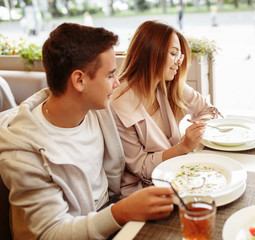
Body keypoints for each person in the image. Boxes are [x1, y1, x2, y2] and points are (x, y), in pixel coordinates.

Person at [0, 23, 174, 239]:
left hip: (108, 211)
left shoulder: (95, 109)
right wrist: (121, 212)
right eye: (110, 75)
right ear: (79, 80)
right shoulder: (24, 153)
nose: (117, 83)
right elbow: (50, 233)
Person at [110, 20, 221, 197]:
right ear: (151, 53)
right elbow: (141, 167)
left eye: (181, 55)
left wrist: (199, 128)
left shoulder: (167, 84)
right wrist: (183, 147)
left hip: (177, 175)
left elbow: (208, 110)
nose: (179, 62)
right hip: (144, 192)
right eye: (174, 54)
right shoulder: (119, 102)